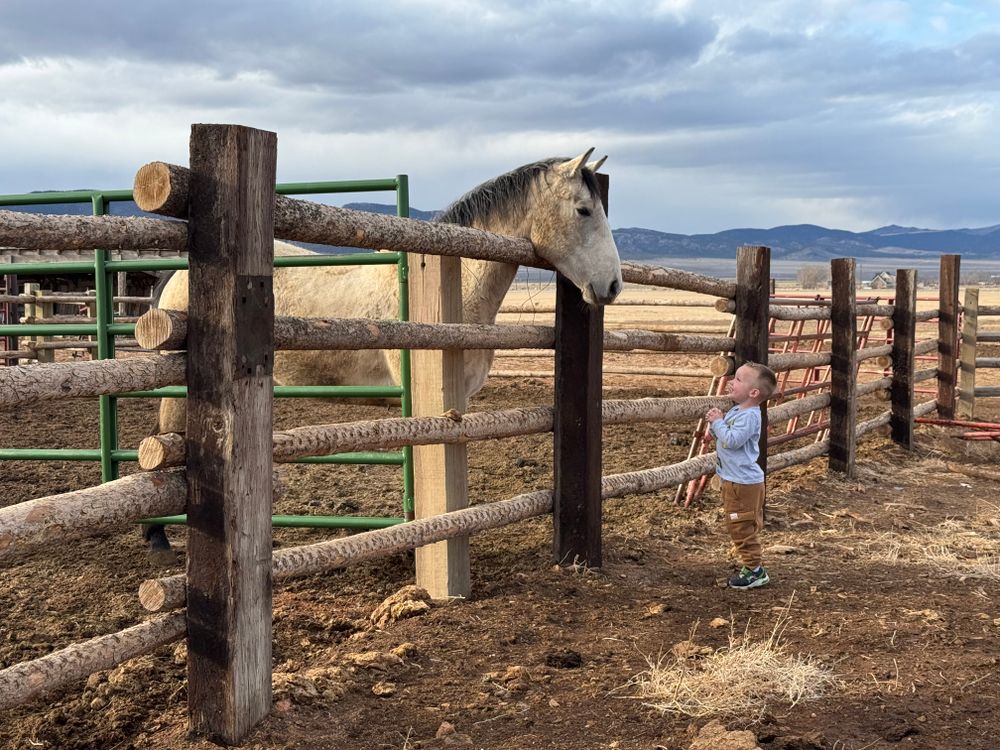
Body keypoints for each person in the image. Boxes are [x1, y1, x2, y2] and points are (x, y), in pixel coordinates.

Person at [704, 361, 777, 590]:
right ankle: (752, 567)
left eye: (737, 380)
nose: (730, 382)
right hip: (736, 481)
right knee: (740, 524)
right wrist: (718, 424)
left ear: (753, 393)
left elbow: (732, 440)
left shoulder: (750, 416)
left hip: (743, 484)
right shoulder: (739, 410)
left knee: (741, 527)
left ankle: (755, 571)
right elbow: (727, 432)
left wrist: (717, 423)